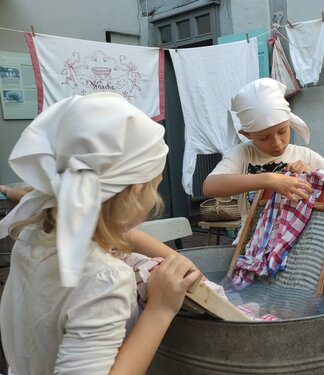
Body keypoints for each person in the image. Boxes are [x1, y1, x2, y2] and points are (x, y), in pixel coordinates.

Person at [0, 92, 201, 374]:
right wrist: (161, 308)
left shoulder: (33, 234)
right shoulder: (105, 281)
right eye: (154, 186)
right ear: (133, 193)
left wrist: (177, 260)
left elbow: (117, 231)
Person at [203, 77, 324, 234]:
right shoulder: (244, 155)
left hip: (297, 240)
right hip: (252, 241)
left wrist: (313, 174)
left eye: (282, 131)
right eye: (264, 137)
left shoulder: (305, 156)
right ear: (247, 134)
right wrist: (269, 179)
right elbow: (210, 186)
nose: (276, 142)